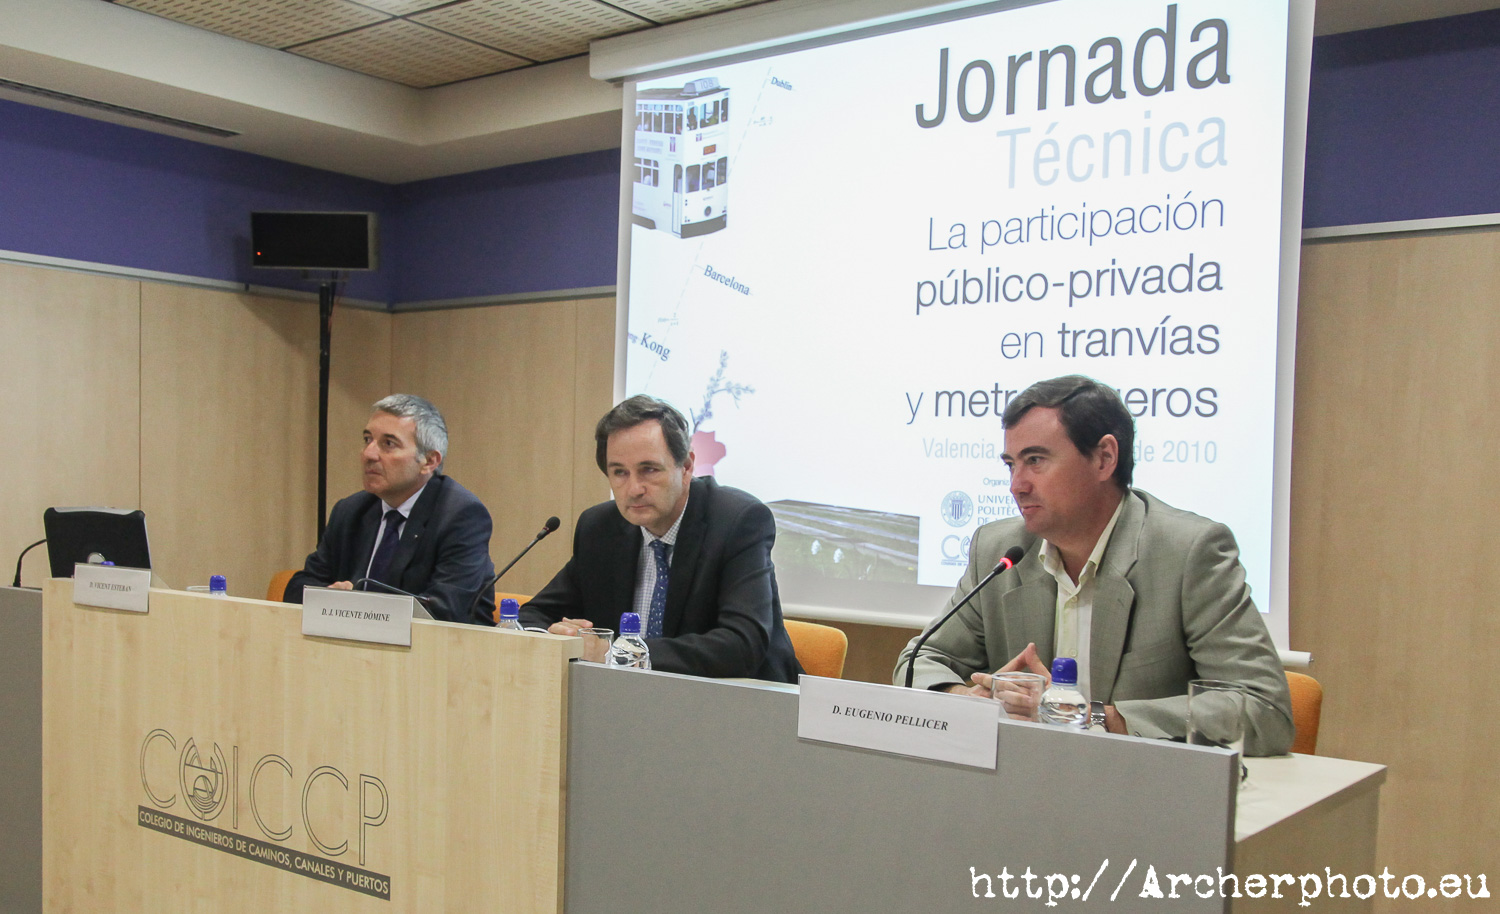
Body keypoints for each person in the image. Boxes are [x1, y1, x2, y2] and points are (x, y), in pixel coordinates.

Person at [894, 376, 1293, 755]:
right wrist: (971, 701)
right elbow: (918, 662)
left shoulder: (1188, 553)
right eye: (1011, 464)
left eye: (1035, 460)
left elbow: (1263, 707)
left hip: (1140, 787)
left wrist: (1099, 718)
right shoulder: (998, 550)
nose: (1017, 484)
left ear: (1104, 458)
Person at [521, 395, 801, 683]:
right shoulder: (599, 528)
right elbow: (534, 615)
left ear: (687, 466)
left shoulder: (736, 521)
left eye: (649, 469)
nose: (634, 489)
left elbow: (741, 646)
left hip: (739, 700)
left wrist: (617, 652)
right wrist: (560, 635)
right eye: (619, 472)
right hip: (629, 700)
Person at [283, 394, 496, 625]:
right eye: (367, 439)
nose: (369, 454)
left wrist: (350, 606)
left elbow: (444, 611)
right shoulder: (351, 511)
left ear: (429, 461)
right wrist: (328, 595)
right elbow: (298, 588)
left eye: (388, 444)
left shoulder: (461, 516)